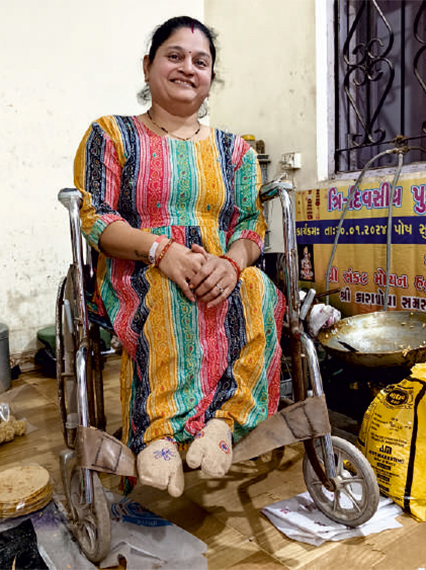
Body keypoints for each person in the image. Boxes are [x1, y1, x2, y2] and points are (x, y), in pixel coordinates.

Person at [74, 15, 286, 498]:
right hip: (137, 267)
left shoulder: (236, 152)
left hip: (218, 267)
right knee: (169, 291)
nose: (188, 68)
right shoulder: (112, 135)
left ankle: (223, 425)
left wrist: (231, 264)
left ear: (211, 76)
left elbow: (250, 226)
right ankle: (161, 435)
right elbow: (96, 218)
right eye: (174, 56)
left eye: (200, 61)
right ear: (147, 66)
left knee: (260, 290)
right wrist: (161, 251)